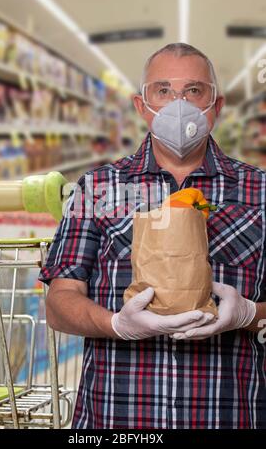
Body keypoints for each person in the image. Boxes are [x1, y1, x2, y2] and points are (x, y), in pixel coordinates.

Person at [38, 43, 266, 429]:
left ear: (217, 105)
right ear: (141, 106)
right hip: (115, 419)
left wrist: (248, 314)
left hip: (229, 416)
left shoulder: (260, 191)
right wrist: (117, 325)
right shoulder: (95, 189)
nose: (179, 104)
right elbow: (59, 303)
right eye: (162, 90)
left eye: (194, 91)